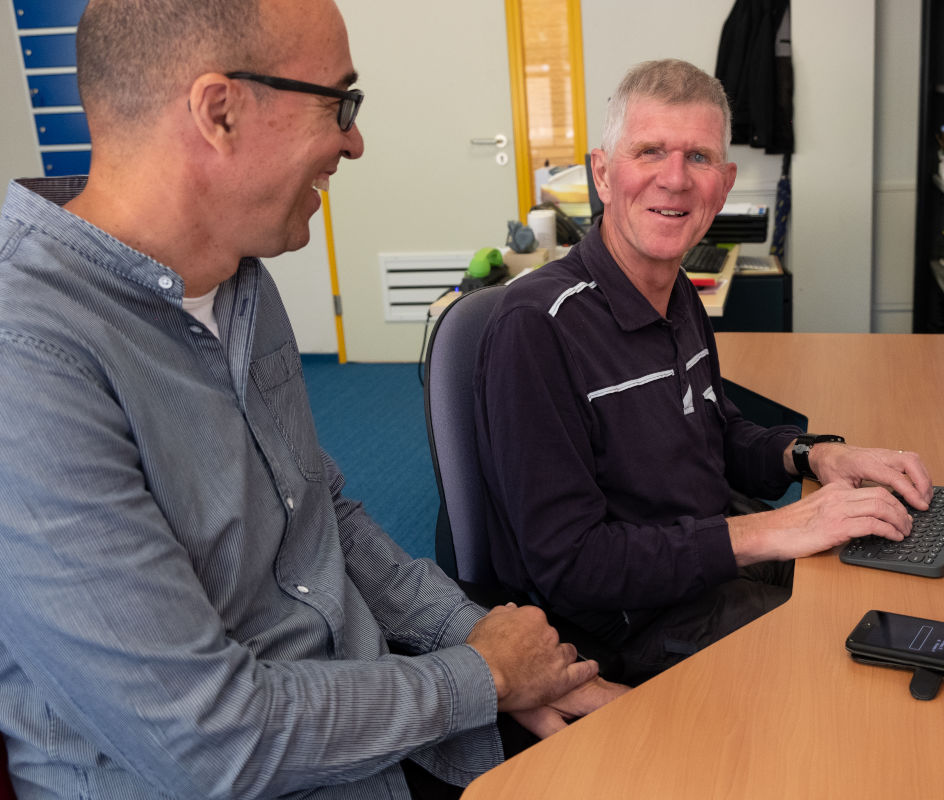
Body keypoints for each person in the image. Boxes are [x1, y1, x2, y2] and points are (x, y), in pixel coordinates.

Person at [0, 1, 624, 798]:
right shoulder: (30, 361)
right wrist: (484, 677)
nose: (353, 141)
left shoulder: (236, 281)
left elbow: (321, 511)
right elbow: (210, 741)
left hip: (371, 724)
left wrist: (488, 642)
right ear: (219, 111)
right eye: (339, 103)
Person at [474, 59, 933, 685]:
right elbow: (572, 564)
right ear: (603, 174)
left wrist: (816, 457)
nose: (675, 179)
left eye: (698, 158)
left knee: (895, 583)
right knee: (854, 667)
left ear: (725, 182)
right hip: (627, 622)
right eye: (650, 151)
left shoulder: (677, 288)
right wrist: (769, 530)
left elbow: (715, 437)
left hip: (704, 561)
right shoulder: (537, 327)